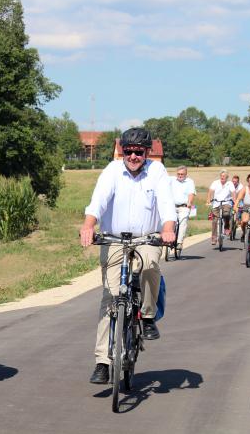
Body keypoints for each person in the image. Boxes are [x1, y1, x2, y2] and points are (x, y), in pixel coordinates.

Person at [79, 127, 176, 385]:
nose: (133, 156)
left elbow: (166, 204)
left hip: (147, 237)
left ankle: (147, 315)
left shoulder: (157, 171)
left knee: (150, 264)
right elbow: (98, 201)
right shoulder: (112, 170)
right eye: (129, 151)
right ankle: (102, 362)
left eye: (139, 152)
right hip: (113, 239)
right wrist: (88, 226)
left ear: (147, 153)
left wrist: (168, 229)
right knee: (110, 297)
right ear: (122, 151)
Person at [206, 169, 236, 245]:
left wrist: (235, 202)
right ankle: (214, 238)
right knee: (214, 221)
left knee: (226, 214)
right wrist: (208, 200)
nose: (222, 177)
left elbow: (233, 193)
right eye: (221, 176)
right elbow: (210, 191)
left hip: (226, 202)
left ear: (227, 177)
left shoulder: (230, 183)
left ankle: (226, 227)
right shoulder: (215, 182)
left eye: (224, 176)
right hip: (216, 203)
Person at [170, 165, 196, 252]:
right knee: (169, 222)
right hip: (172, 206)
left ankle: (179, 242)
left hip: (184, 206)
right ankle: (168, 239)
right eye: (178, 174)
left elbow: (191, 194)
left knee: (183, 222)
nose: (180, 176)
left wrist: (189, 203)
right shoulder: (171, 180)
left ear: (186, 174)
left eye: (182, 174)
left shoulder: (190, 182)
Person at [231, 175, 245, 241]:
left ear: (238, 182)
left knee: (239, 216)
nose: (234, 183)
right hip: (231, 201)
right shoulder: (229, 185)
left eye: (235, 182)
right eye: (233, 181)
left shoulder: (241, 186)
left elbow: (240, 195)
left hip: (239, 201)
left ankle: (238, 221)